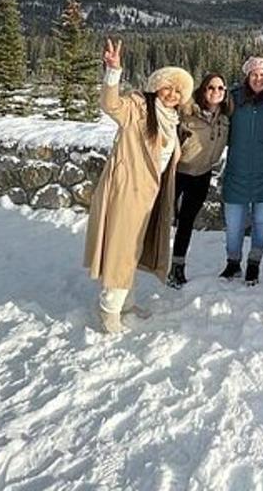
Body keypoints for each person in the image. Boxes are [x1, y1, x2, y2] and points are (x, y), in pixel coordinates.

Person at [84, 38, 196, 334]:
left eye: (177, 90)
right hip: (128, 191)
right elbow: (110, 104)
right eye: (167, 87)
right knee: (121, 250)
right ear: (156, 87)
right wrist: (113, 72)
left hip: (152, 194)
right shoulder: (137, 107)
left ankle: (127, 303)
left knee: (132, 249)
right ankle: (109, 310)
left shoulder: (172, 119)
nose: (171, 94)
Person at [220, 56, 263, 286]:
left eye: (262, 74)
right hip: (237, 170)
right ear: (247, 77)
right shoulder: (232, 99)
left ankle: (254, 263)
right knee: (234, 224)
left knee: (260, 222)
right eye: (254, 74)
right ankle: (233, 262)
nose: (258, 78)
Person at [165, 72, 232, 288]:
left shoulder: (224, 119)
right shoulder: (186, 113)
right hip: (178, 173)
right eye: (211, 87)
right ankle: (147, 259)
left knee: (186, 222)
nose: (216, 92)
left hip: (202, 175)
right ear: (203, 90)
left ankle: (177, 267)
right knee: (163, 219)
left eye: (220, 88)